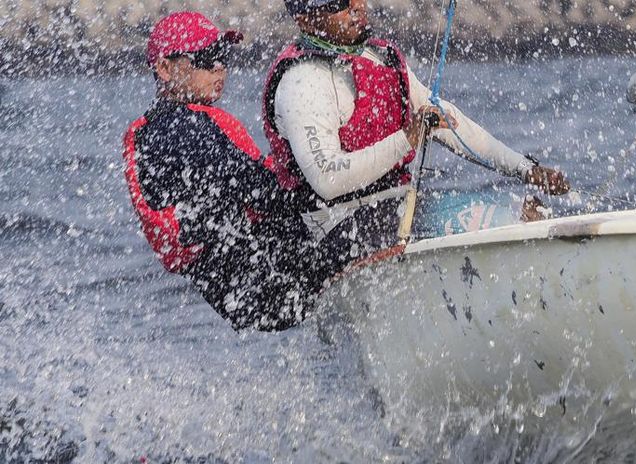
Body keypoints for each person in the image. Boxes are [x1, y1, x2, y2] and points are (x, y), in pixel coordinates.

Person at [262, 0, 571, 270]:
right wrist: (407, 139)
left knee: (528, 216)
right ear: (304, 18)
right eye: (339, 3)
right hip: (340, 230)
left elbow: (448, 122)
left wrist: (524, 168)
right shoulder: (300, 84)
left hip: (395, 211)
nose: (356, 6)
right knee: (511, 225)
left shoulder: (380, 58)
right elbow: (327, 180)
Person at [123, 12, 321, 332]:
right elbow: (263, 192)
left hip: (230, 287)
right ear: (164, 67)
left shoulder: (158, 128)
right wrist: (322, 167)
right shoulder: (184, 128)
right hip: (260, 276)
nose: (219, 67)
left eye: (223, 56)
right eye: (206, 58)